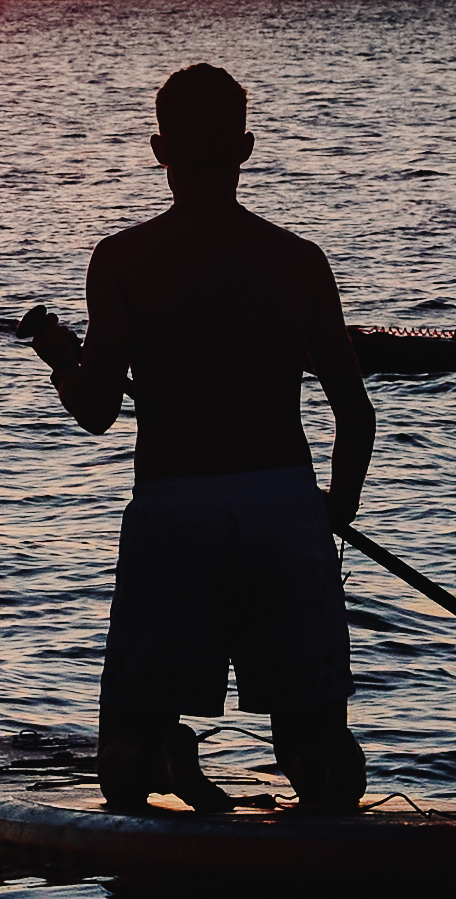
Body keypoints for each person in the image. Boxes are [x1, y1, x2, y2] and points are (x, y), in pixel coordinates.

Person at [20, 64, 376, 817]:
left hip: (174, 512)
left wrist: (60, 361)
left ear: (158, 150)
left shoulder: (121, 259)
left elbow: (95, 413)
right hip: (282, 507)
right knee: (323, 762)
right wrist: (330, 515)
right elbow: (355, 413)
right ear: (245, 148)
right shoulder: (298, 260)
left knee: (119, 767)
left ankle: (158, 750)